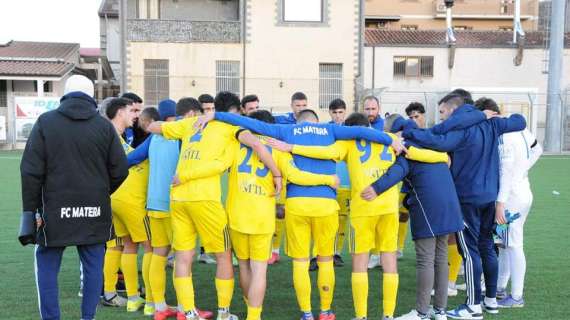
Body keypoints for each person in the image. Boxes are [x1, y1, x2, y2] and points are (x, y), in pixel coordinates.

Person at [196, 108, 403, 320]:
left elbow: (250, 123)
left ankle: (306, 313)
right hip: (326, 206)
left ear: (298, 121)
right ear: (316, 122)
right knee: (324, 260)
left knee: (300, 263)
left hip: (296, 204)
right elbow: (362, 132)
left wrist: (216, 114)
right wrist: (389, 138)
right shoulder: (330, 130)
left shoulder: (286, 130)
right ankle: (325, 311)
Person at [401, 93, 527, 320]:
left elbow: (435, 141)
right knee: (487, 247)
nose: (442, 118)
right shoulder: (492, 125)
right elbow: (520, 121)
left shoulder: (461, 131)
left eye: (442, 112)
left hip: (467, 198)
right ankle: (490, 301)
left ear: (453, 110)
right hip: (489, 196)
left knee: (469, 252)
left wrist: (407, 134)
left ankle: (473, 306)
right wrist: (495, 116)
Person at [268, 112, 402, 320]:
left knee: (351, 264)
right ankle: (387, 315)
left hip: (361, 208)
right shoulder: (391, 139)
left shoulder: (348, 144)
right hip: (388, 206)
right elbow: (407, 161)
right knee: (388, 261)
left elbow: (324, 152)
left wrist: (292, 147)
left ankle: (357, 316)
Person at [19, 75, 129, 320]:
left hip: (54, 211)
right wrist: (101, 192)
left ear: (65, 94)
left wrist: (32, 210)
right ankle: (87, 317)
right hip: (94, 210)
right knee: (93, 269)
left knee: (47, 266)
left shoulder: (46, 122)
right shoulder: (104, 127)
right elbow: (120, 170)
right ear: (92, 96)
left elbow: (30, 171)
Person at [219, 109, 339, 320]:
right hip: (262, 218)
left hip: (237, 214)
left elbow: (219, 165)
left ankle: (247, 307)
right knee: (259, 270)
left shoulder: (236, 145)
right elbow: (297, 176)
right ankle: (254, 316)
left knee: (244, 266)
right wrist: (328, 180)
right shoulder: (278, 150)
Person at [146, 91, 250, 320]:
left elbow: (153, 127)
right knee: (224, 256)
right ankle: (224, 312)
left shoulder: (191, 123)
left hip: (179, 199)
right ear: (233, 112)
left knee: (183, 257)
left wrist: (183, 124)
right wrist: (189, 175)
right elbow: (221, 165)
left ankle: (190, 312)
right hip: (205, 200)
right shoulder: (231, 130)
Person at [373, 114, 464, 320]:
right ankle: (440, 311)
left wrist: (374, 188)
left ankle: (422, 312)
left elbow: (396, 173)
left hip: (428, 208)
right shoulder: (433, 145)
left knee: (425, 260)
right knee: (441, 259)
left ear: (397, 133)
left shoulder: (406, 151)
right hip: (450, 205)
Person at [474, 98, 542, 308]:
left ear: (490, 114)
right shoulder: (518, 128)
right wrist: (523, 171)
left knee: (513, 244)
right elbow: (537, 149)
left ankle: (517, 296)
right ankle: (501, 287)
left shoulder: (502, 133)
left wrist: (500, 203)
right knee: (503, 243)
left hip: (511, 199)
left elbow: (505, 172)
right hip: (520, 192)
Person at [104, 97, 154, 314]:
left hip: (116, 198)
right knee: (153, 247)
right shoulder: (108, 134)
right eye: (131, 111)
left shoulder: (114, 135)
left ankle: (128, 296)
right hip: (130, 200)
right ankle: (153, 299)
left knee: (124, 245)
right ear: (119, 113)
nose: (135, 115)